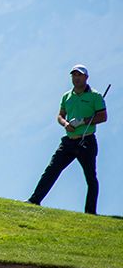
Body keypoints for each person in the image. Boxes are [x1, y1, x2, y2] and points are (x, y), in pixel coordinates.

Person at [26, 64, 107, 214]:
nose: (76, 78)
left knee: (90, 177)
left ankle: (90, 212)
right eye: (74, 75)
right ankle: (34, 200)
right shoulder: (67, 96)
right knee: (51, 170)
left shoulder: (95, 96)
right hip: (69, 140)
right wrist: (65, 123)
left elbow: (103, 116)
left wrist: (83, 121)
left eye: (79, 75)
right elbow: (60, 115)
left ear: (86, 78)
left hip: (86, 141)